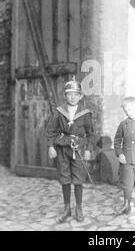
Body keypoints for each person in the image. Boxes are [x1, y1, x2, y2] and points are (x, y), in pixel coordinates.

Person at [46, 78, 95, 223]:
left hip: (78, 148)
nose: (72, 97)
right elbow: (51, 130)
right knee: (64, 178)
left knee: (78, 178)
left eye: (76, 94)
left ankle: (78, 208)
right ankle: (67, 208)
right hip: (62, 148)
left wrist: (89, 148)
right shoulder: (59, 112)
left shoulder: (85, 113)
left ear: (80, 96)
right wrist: (50, 146)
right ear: (65, 96)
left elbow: (91, 133)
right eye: (69, 94)